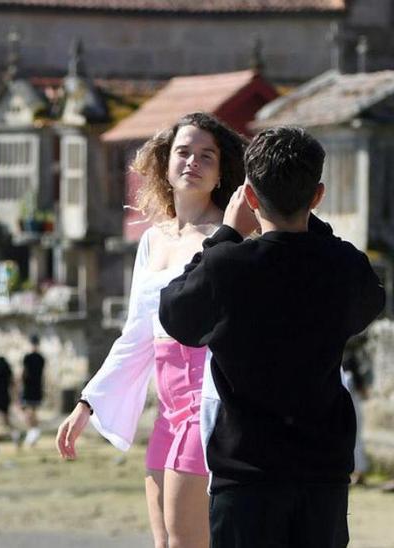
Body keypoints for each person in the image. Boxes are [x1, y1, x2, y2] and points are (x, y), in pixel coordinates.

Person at [160, 126, 385, 547]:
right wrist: (308, 221)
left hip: (246, 476)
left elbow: (176, 314)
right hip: (322, 476)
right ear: (317, 196)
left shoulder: (226, 267)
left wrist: (225, 234)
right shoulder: (341, 267)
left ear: (248, 197)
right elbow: (371, 298)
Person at [56, 112, 247, 548]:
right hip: (167, 410)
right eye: (183, 152)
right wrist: (87, 402)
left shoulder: (228, 237)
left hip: (209, 404)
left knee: (187, 543)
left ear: (220, 172)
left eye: (206, 156)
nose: (192, 162)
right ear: (165, 162)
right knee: (163, 543)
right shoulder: (152, 239)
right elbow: (136, 334)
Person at [341, 344, 369, 486]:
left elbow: (361, 387)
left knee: (355, 436)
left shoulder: (348, 358)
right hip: (344, 403)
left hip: (351, 401)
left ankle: (360, 471)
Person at [19, 335, 45, 448]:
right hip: (38, 387)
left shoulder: (27, 357)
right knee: (33, 410)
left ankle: (33, 430)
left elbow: (24, 373)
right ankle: (34, 431)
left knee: (27, 410)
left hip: (28, 387)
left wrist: (20, 384)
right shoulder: (41, 358)